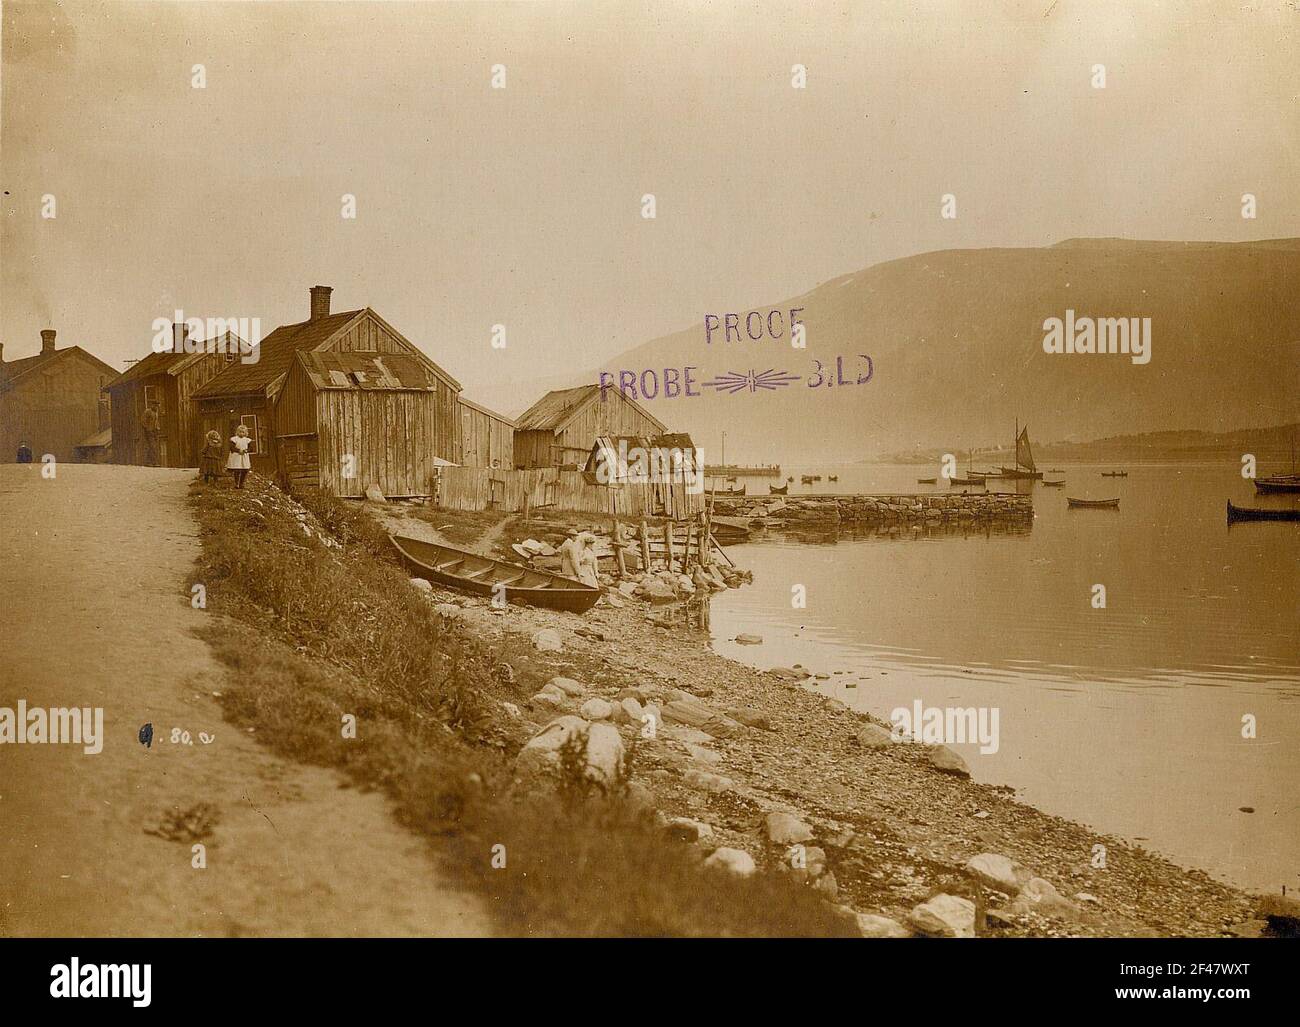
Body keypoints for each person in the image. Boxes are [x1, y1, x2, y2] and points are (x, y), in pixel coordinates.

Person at [227, 424, 252, 488]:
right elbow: (231, 448)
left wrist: (246, 450)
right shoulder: (234, 439)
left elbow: (251, 448)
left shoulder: (247, 440)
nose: (241, 433)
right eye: (240, 432)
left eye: (243, 432)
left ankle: (241, 483)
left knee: (244, 470)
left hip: (244, 457)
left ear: (245, 433)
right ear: (237, 432)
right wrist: (238, 450)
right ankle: (236, 483)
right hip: (236, 456)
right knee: (237, 470)